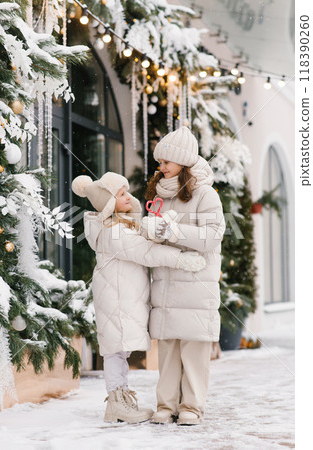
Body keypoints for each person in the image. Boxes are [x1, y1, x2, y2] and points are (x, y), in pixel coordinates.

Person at [71, 171, 206, 424]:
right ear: (108, 203)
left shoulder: (121, 225)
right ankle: (116, 402)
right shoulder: (112, 232)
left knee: (117, 351)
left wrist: (163, 223)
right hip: (116, 300)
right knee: (115, 351)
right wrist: (180, 259)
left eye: (125, 192)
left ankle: (120, 399)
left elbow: (145, 237)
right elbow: (146, 252)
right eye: (120, 194)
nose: (127, 196)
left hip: (122, 298)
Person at [142, 126, 225, 426]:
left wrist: (172, 230)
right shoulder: (159, 195)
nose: (161, 167)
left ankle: (192, 406)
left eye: (166, 161)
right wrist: (149, 230)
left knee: (193, 348)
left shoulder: (205, 194)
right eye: (160, 162)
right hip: (165, 284)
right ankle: (165, 405)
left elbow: (212, 237)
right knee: (168, 349)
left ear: (184, 162)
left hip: (196, 285)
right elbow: (156, 237)